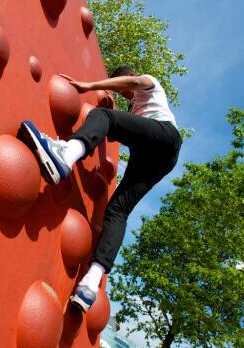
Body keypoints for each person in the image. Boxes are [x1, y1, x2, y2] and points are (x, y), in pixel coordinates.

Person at [17, 66, 182, 312]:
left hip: (164, 135)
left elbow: (131, 83)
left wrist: (88, 85)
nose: (124, 94)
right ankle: (90, 285)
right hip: (161, 157)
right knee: (118, 210)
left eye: (120, 87)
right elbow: (114, 132)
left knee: (103, 115)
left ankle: (65, 155)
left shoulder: (150, 83)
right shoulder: (135, 108)